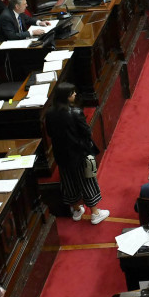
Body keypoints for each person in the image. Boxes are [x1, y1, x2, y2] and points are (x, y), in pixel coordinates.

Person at [45, 81, 110, 224]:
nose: (75, 94)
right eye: (72, 93)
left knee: (68, 182)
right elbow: (86, 132)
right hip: (79, 154)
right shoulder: (75, 112)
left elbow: (49, 133)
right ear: (66, 96)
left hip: (61, 155)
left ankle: (76, 209)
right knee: (87, 181)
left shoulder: (49, 113)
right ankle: (95, 213)